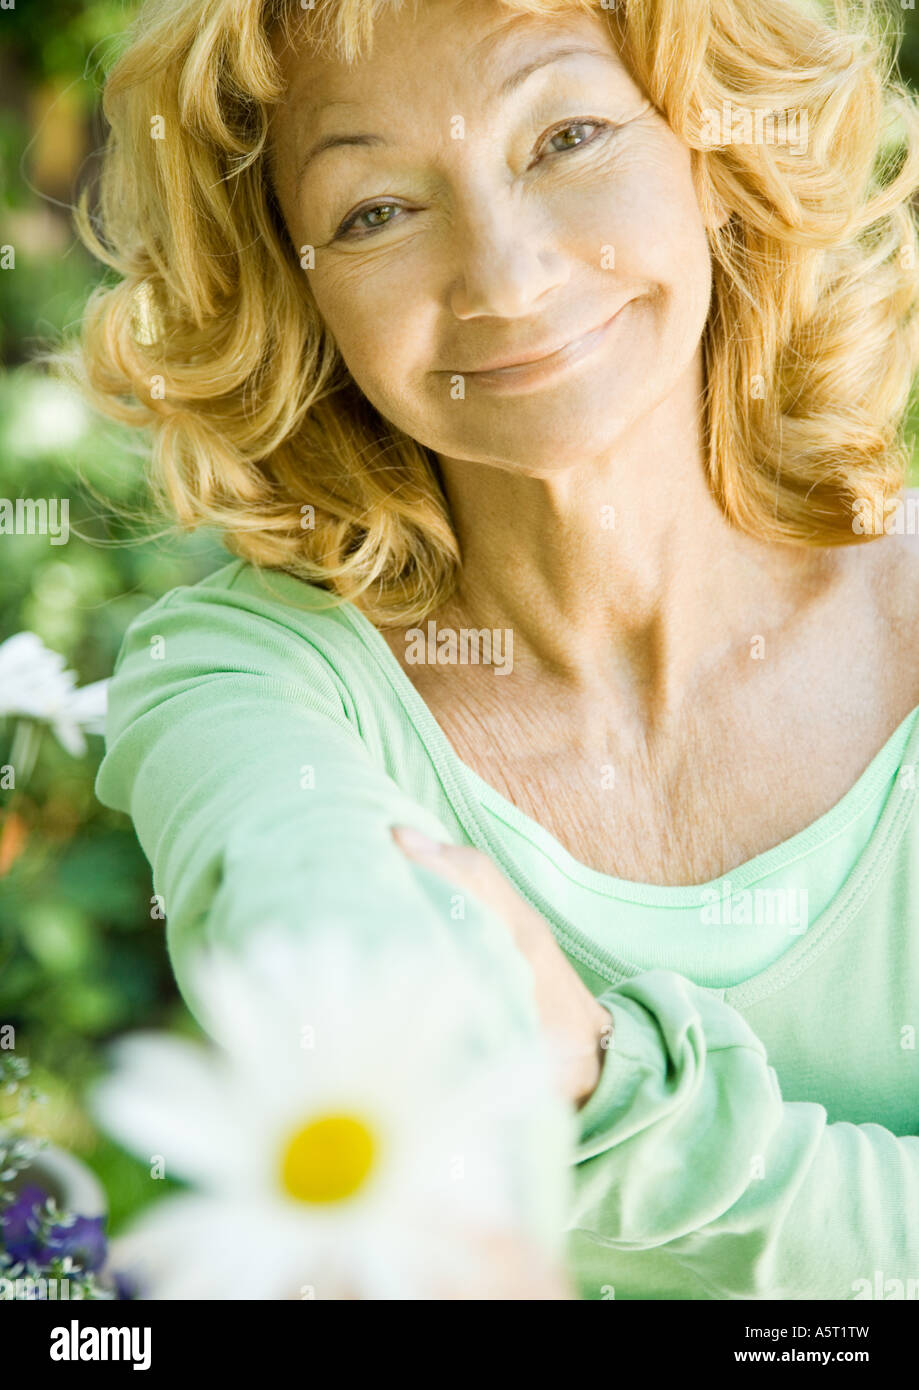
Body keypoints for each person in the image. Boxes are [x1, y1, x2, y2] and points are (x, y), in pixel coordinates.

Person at [79, 0, 919, 1298]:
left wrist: (601, 1082)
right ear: (292, 286)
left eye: (568, 134)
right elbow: (323, 917)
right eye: (376, 210)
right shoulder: (245, 675)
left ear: (717, 147)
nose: (506, 276)